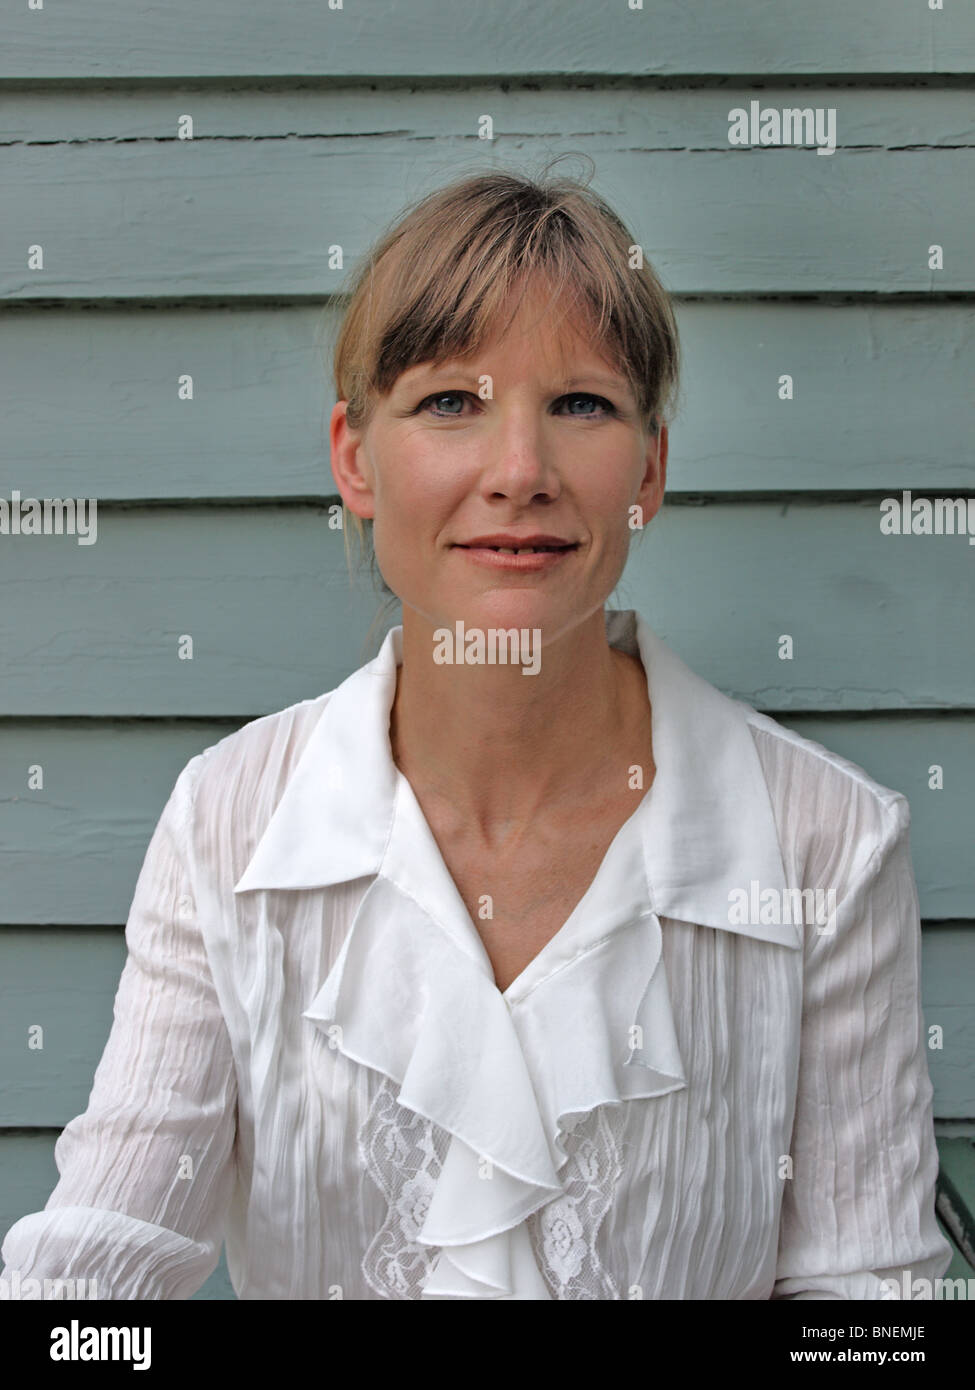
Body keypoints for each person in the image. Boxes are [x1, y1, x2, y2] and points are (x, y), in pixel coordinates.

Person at [1, 165, 953, 1300]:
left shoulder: (823, 842)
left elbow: (871, 1312)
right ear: (355, 458)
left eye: (582, 405)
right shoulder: (233, 820)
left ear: (649, 469)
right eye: (452, 401)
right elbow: (95, 1269)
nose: (520, 473)